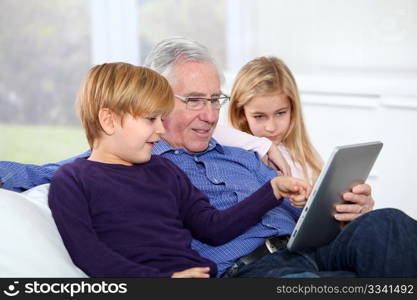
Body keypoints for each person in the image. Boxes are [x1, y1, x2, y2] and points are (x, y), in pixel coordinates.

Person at [1, 37, 416, 277]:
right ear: (157, 100)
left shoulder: (245, 154)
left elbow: (291, 211)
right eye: (194, 100)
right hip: (250, 269)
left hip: (307, 246)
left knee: (388, 225)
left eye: (215, 99)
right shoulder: (130, 164)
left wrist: (341, 211)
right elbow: (38, 173)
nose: (210, 114)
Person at [48, 62, 310, 278]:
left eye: (162, 119)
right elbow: (90, 256)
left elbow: (214, 228)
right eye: (151, 119)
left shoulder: (164, 170)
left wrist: (272, 190)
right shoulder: (72, 180)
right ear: (109, 121)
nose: (161, 130)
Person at [226, 56, 321, 184]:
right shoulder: (236, 156)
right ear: (241, 114)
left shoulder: (307, 158)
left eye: (280, 113)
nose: (271, 127)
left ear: (292, 109)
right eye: (259, 116)